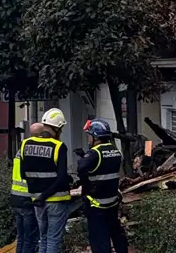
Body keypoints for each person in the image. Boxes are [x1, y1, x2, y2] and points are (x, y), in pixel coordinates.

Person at [22, 108, 72, 253]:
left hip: (36, 199)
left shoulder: (26, 144)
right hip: (56, 200)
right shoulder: (58, 146)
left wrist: (40, 195)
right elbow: (62, 178)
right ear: (58, 128)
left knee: (43, 238)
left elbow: (24, 174)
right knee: (53, 239)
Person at [78, 119, 128, 253]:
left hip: (96, 204)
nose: (88, 139)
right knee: (116, 233)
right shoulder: (115, 151)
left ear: (96, 137)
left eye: (89, 136)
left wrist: (86, 185)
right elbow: (104, 168)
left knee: (99, 239)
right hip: (111, 202)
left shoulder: (95, 152)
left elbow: (82, 167)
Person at [10, 122, 47, 253]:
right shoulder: (34, 150)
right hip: (28, 199)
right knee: (30, 239)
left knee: (21, 237)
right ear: (41, 134)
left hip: (16, 198)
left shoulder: (22, 149)